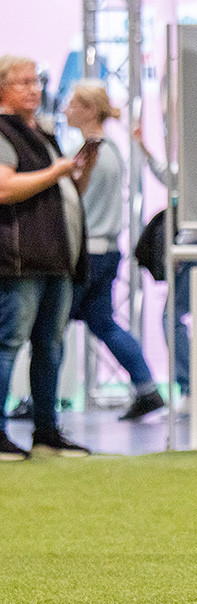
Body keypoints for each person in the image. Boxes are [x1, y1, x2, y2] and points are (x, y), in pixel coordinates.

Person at [0, 55, 94, 461]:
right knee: (8, 344)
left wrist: (75, 169)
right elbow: (4, 188)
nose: (34, 89)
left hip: (56, 257)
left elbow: (64, 188)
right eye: (23, 82)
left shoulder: (41, 132)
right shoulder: (4, 132)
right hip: (21, 259)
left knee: (50, 347)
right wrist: (56, 172)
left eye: (36, 81)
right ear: (2, 87)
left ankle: (47, 432)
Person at [64, 81, 164, 420]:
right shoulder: (111, 152)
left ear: (90, 110)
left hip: (85, 254)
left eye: (73, 103)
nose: (66, 109)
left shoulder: (88, 156)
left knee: (51, 329)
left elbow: (73, 204)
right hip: (104, 251)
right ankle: (147, 388)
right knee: (103, 322)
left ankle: (40, 406)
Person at [132, 122, 197, 409]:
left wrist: (178, 252)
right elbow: (171, 178)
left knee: (173, 318)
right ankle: (193, 387)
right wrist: (146, 150)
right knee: (185, 318)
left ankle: (191, 387)